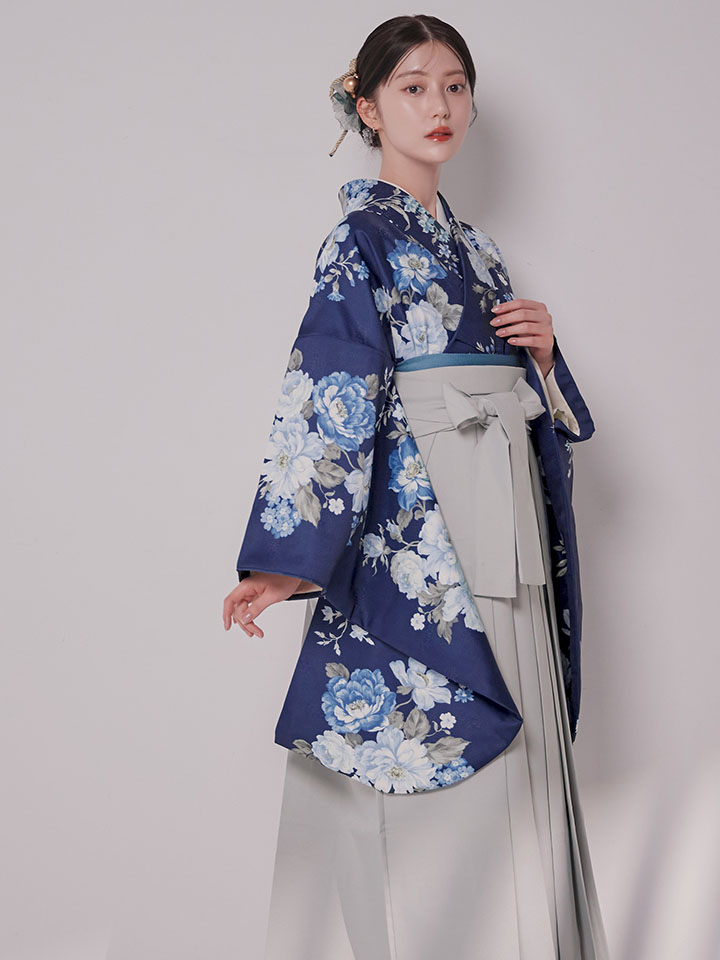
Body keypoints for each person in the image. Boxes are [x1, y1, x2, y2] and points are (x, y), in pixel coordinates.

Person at [222, 14, 610, 960]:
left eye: (455, 86)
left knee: (523, 739)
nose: (439, 105)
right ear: (368, 107)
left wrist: (545, 359)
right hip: (429, 532)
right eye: (413, 87)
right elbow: (332, 385)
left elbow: (533, 406)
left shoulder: (481, 252)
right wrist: (288, 558)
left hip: (506, 517)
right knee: (437, 780)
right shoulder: (357, 242)